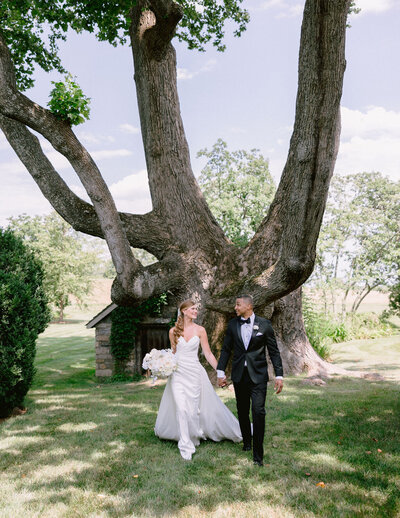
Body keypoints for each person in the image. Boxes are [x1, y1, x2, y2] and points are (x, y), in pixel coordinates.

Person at [154, 299, 242, 460]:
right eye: (193, 309)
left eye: (196, 309)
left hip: (194, 373)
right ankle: (185, 444)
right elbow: (172, 354)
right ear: (184, 311)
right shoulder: (173, 331)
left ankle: (194, 435)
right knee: (181, 408)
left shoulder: (200, 330)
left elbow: (208, 354)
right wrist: (161, 365)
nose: (196, 311)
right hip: (178, 374)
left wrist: (220, 372)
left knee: (193, 408)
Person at [217, 294, 283, 466]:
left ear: (249, 306)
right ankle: (247, 441)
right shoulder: (232, 325)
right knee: (242, 410)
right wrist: (220, 372)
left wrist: (279, 375)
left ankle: (258, 455)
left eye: (238, 304)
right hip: (239, 375)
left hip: (259, 376)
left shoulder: (265, 325)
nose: (235, 307)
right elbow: (226, 350)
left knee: (258, 411)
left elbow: (274, 351)